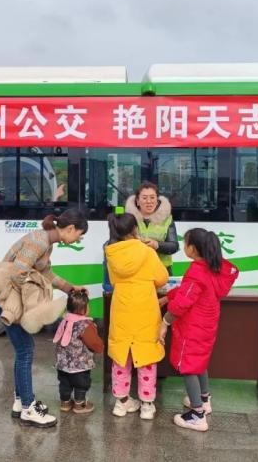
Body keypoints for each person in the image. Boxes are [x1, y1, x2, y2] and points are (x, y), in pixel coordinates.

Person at [0, 208, 88, 428]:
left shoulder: (46, 241)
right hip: (9, 303)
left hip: (9, 300)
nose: (78, 239)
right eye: (79, 235)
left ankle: (20, 402)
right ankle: (28, 408)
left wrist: (70, 288)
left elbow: (46, 273)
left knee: (22, 350)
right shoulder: (40, 241)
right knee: (25, 350)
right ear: (70, 228)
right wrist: (34, 300)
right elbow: (18, 273)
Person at [158, 228, 239, 432]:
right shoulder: (213, 268)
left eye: (185, 244)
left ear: (193, 248)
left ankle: (197, 415)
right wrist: (168, 297)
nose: (184, 247)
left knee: (188, 367)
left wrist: (165, 322)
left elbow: (183, 302)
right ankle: (204, 400)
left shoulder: (196, 271)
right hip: (206, 326)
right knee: (199, 362)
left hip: (192, 327)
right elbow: (189, 290)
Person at [105, 212, 168, 420]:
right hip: (144, 308)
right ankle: (147, 405)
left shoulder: (111, 252)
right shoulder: (146, 251)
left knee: (121, 356)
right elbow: (162, 278)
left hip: (121, 308)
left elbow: (113, 281)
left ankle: (121, 403)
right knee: (146, 356)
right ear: (135, 229)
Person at [52, 289, 104, 414]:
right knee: (81, 385)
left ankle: (65, 403)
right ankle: (79, 405)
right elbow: (94, 343)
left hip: (62, 365)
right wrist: (101, 347)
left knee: (64, 384)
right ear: (84, 309)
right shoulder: (85, 325)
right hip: (80, 367)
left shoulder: (64, 321)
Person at [125, 182, 179, 274]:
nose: (149, 201)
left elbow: (174, 246)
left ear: (157, 200)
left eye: (152, 197)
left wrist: (157, 245)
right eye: (144, 198)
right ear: (137, 201)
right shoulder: (128, 219)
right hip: (136, 269)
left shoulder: (167, 219)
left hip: (162, 270)